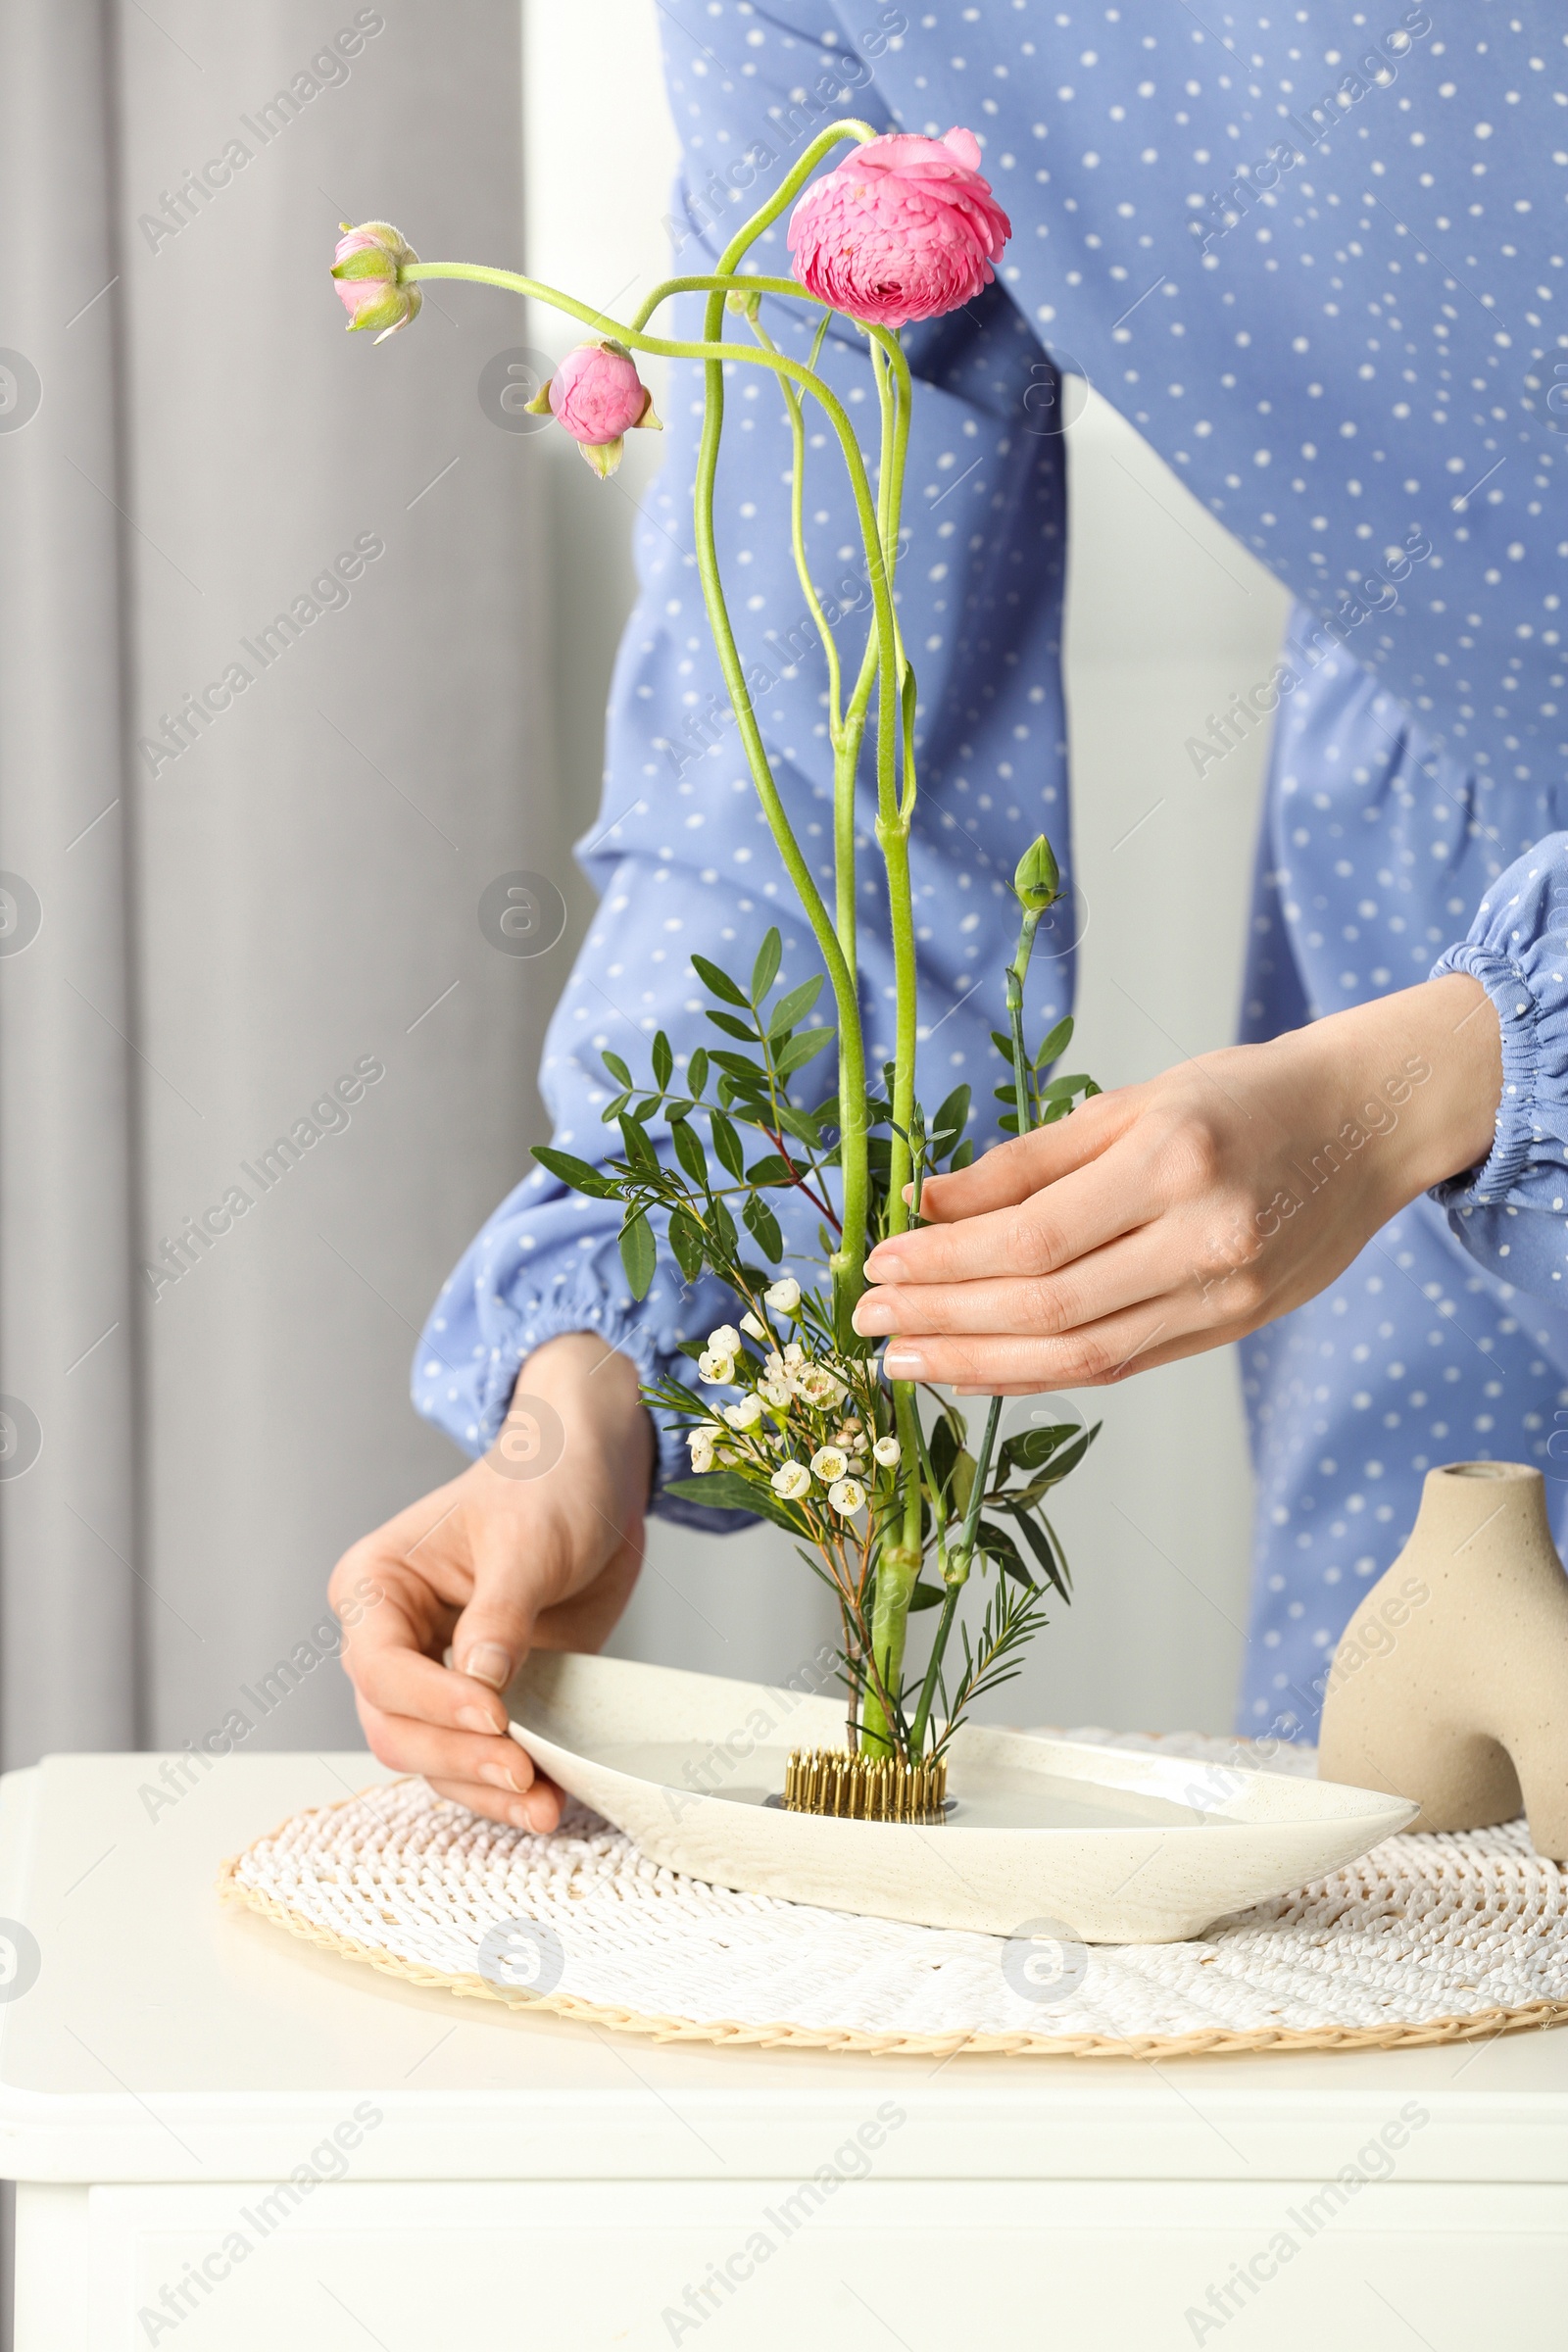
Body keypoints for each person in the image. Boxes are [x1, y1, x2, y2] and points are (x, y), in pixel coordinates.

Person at [330, 2, 1565, 1828]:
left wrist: (1451, 1071)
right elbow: (813, 756)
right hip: (1437, 905)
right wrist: (590, 1375)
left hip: (1437, 1049)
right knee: (1419, 1939)